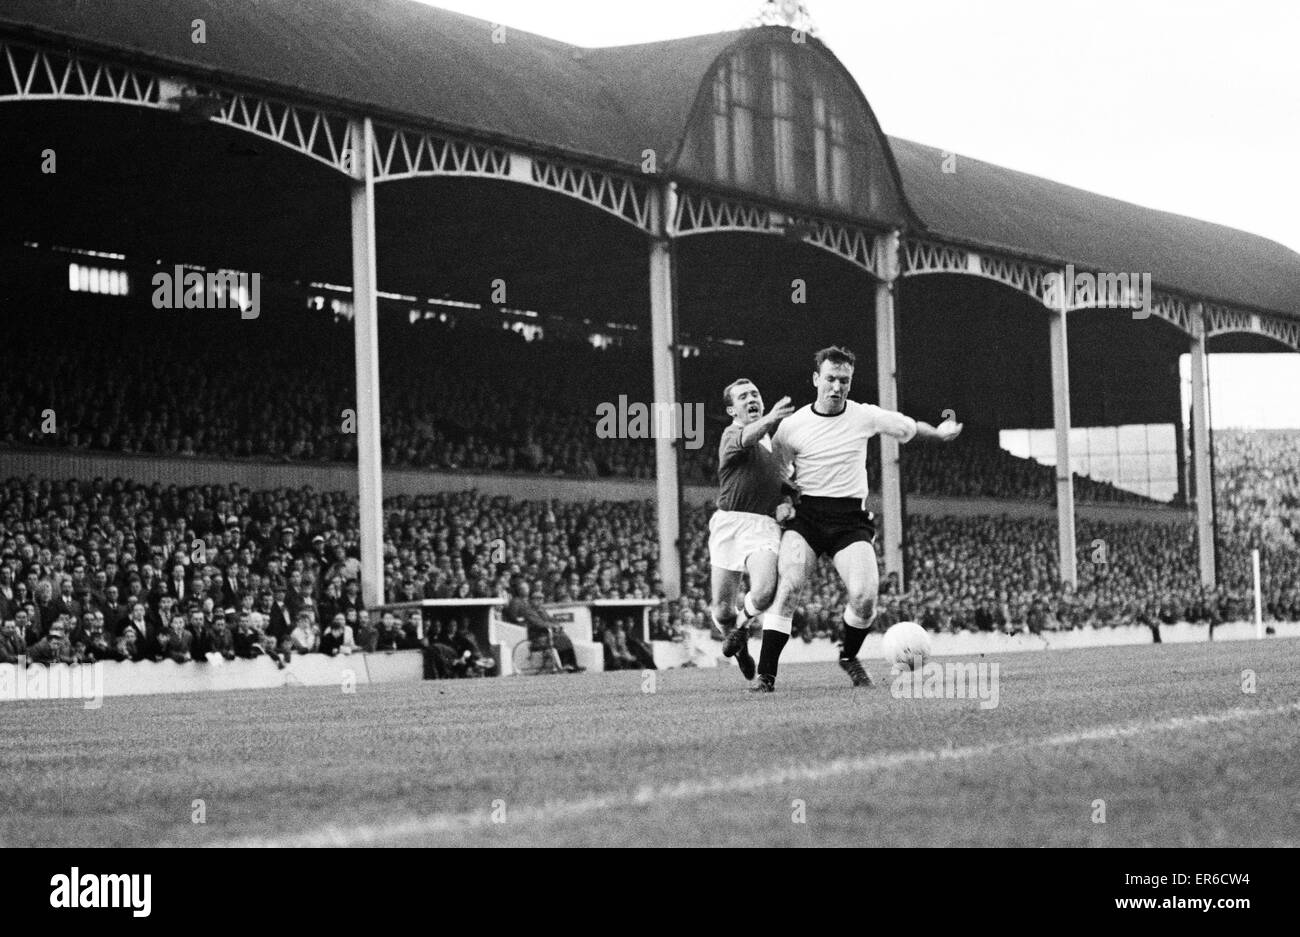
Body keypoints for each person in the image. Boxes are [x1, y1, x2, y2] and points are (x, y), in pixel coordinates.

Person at [756, 346, 962, 692]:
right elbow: (773, 473)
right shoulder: (791, 427)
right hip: (806, 517)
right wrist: (781, 502)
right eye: (831, 379)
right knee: (789, 585)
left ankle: (849, 656)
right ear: (816, 379)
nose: (836, 387)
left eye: (844, 380)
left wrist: (939, 434)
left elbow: (908, 427)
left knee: (865, 596)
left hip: (849, 519)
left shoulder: (864, 415)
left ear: (850, 383)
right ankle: (766, 675)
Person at [709, 377, 795, 682]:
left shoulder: (775, 447)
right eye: (743, 397)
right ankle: (741, 649)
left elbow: (782, 484)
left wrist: (785, 501)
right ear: (733, 410)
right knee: (722, 611)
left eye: (755, 393)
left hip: (763, 525)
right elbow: (746, 439)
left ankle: (741, 630)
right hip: (730, 523)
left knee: (764, 591)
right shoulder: (732, 433)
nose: (751, 399)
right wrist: (772, 416)